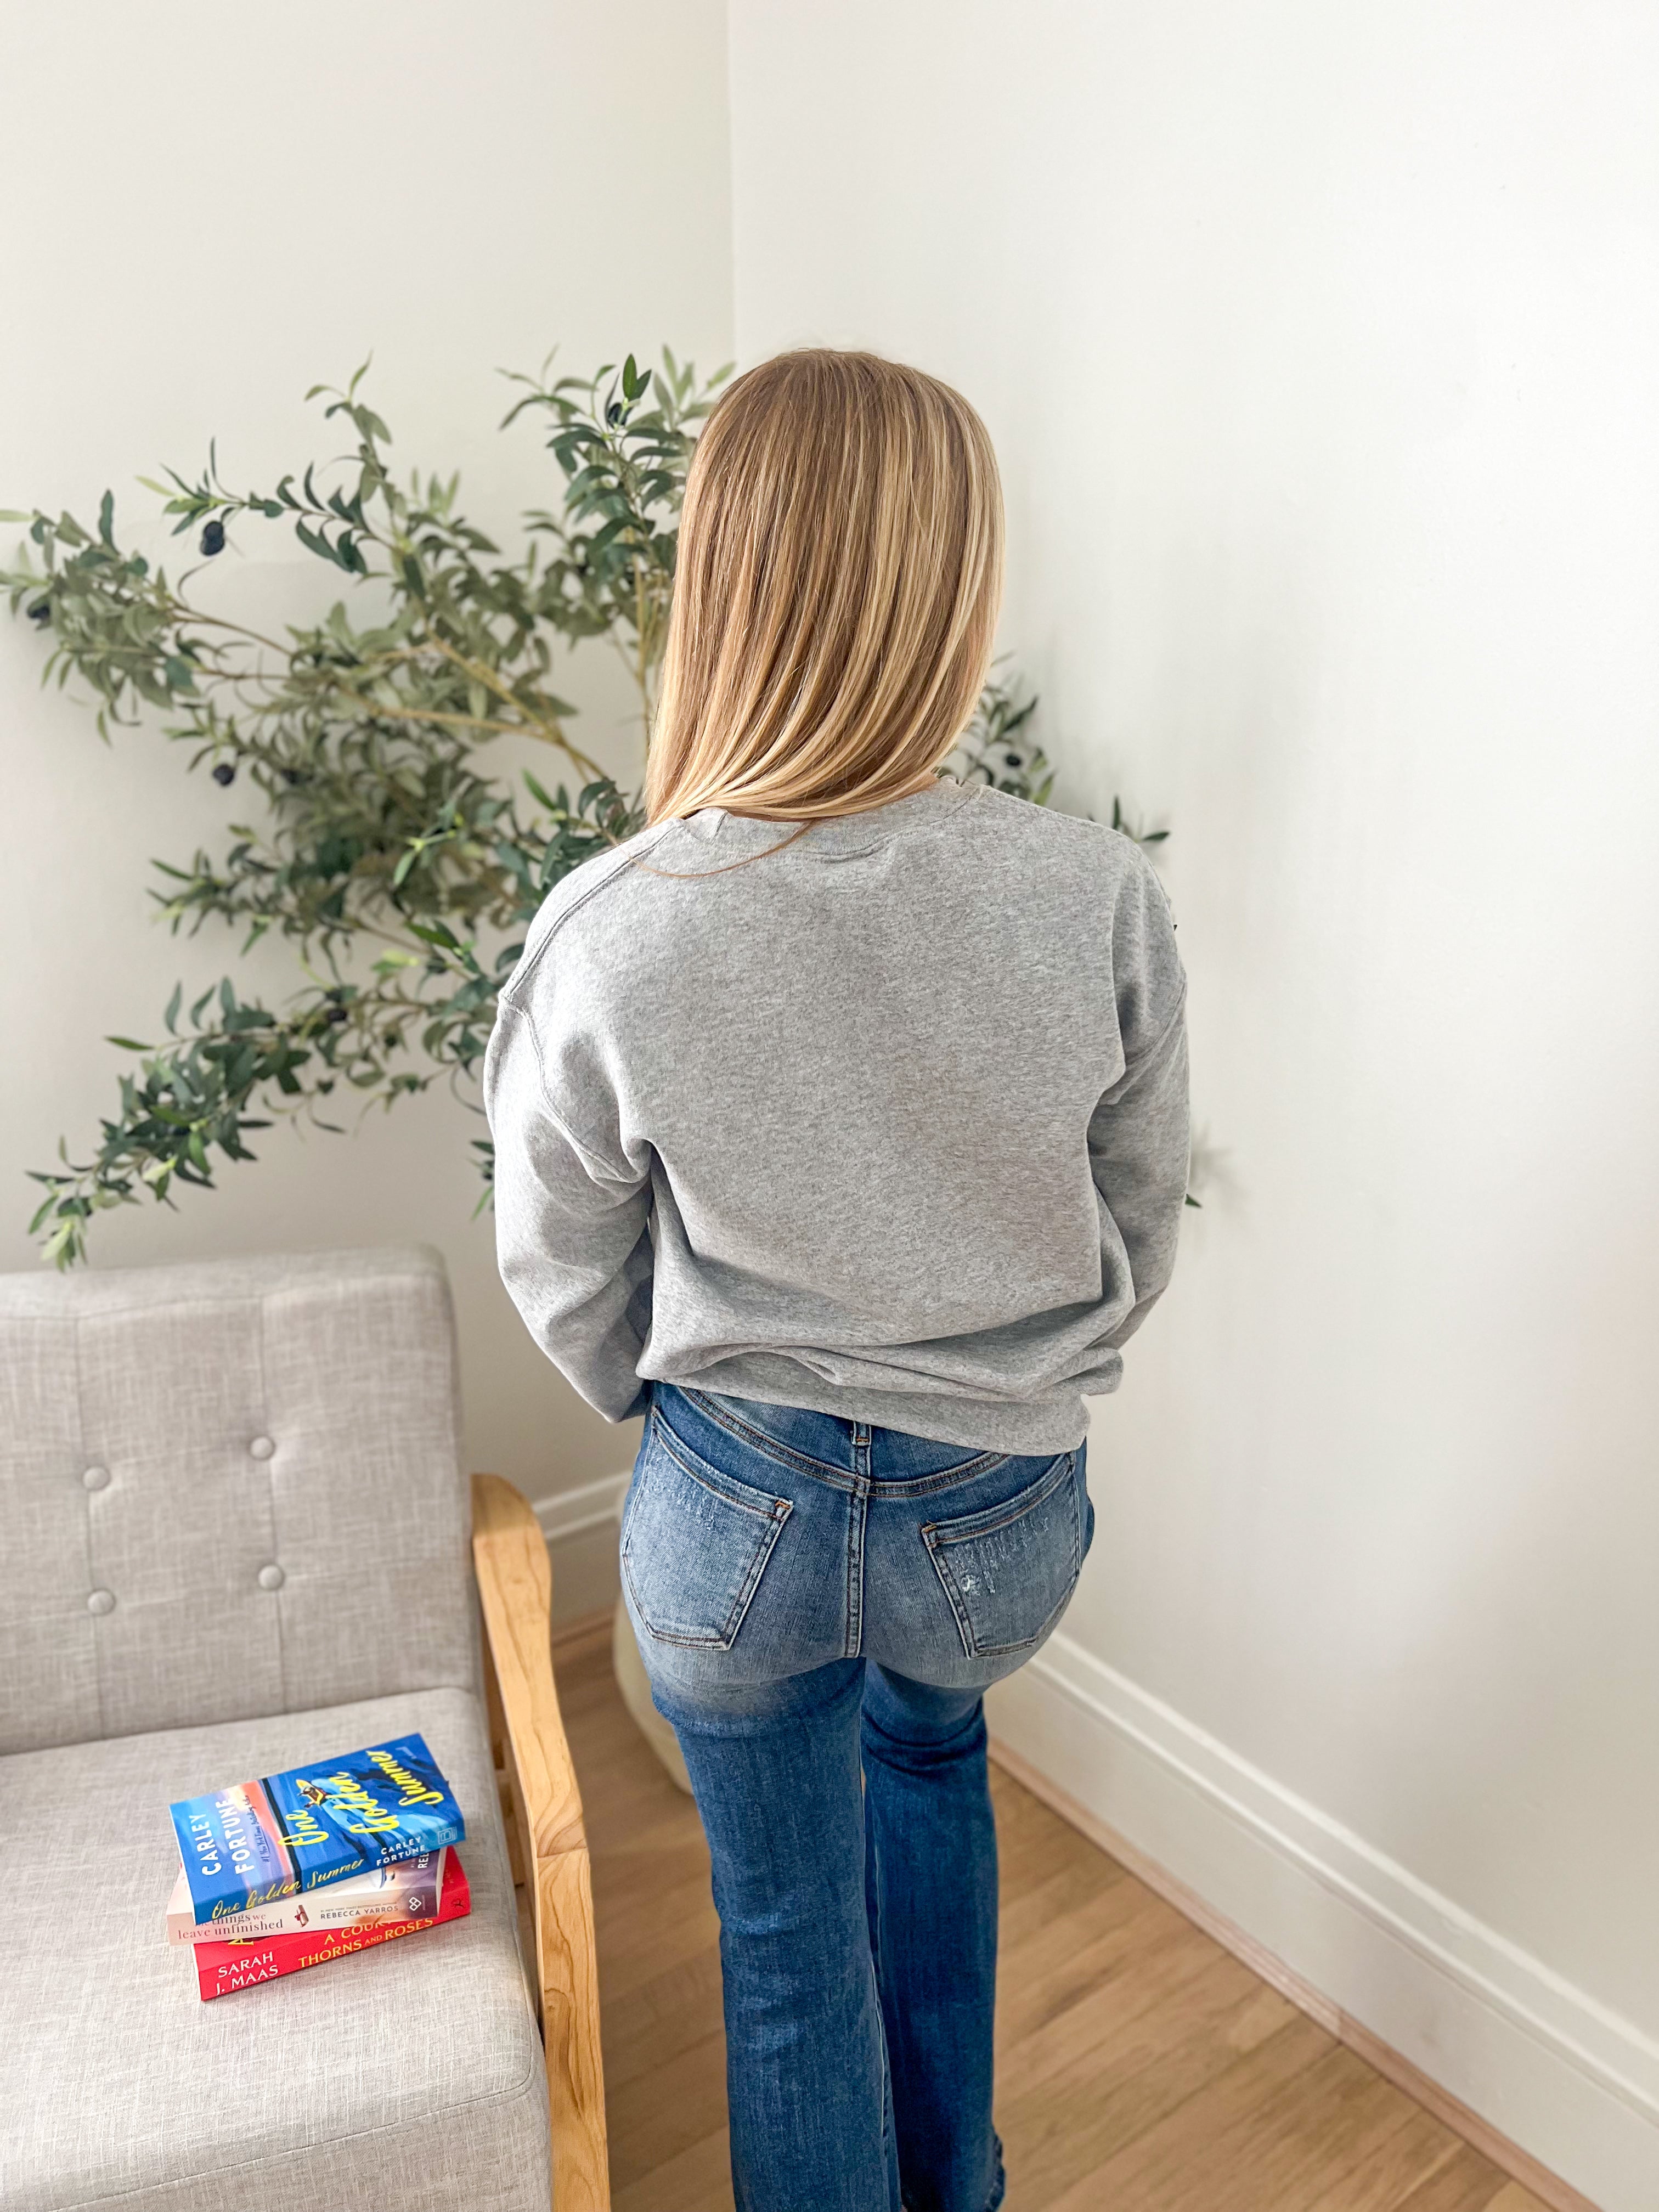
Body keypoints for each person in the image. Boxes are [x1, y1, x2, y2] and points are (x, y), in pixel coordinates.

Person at [485, 348, 1189, 2212]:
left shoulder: (615, 927)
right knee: (933, 1757)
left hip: (738, 1511)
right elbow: (1138, 1215)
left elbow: (558, 1258)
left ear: (720, 584)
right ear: (955, 588)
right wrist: (1023, 1372)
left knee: (786, 1931)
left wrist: (672, 1405)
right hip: (998, 1514)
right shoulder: (1095, 894)